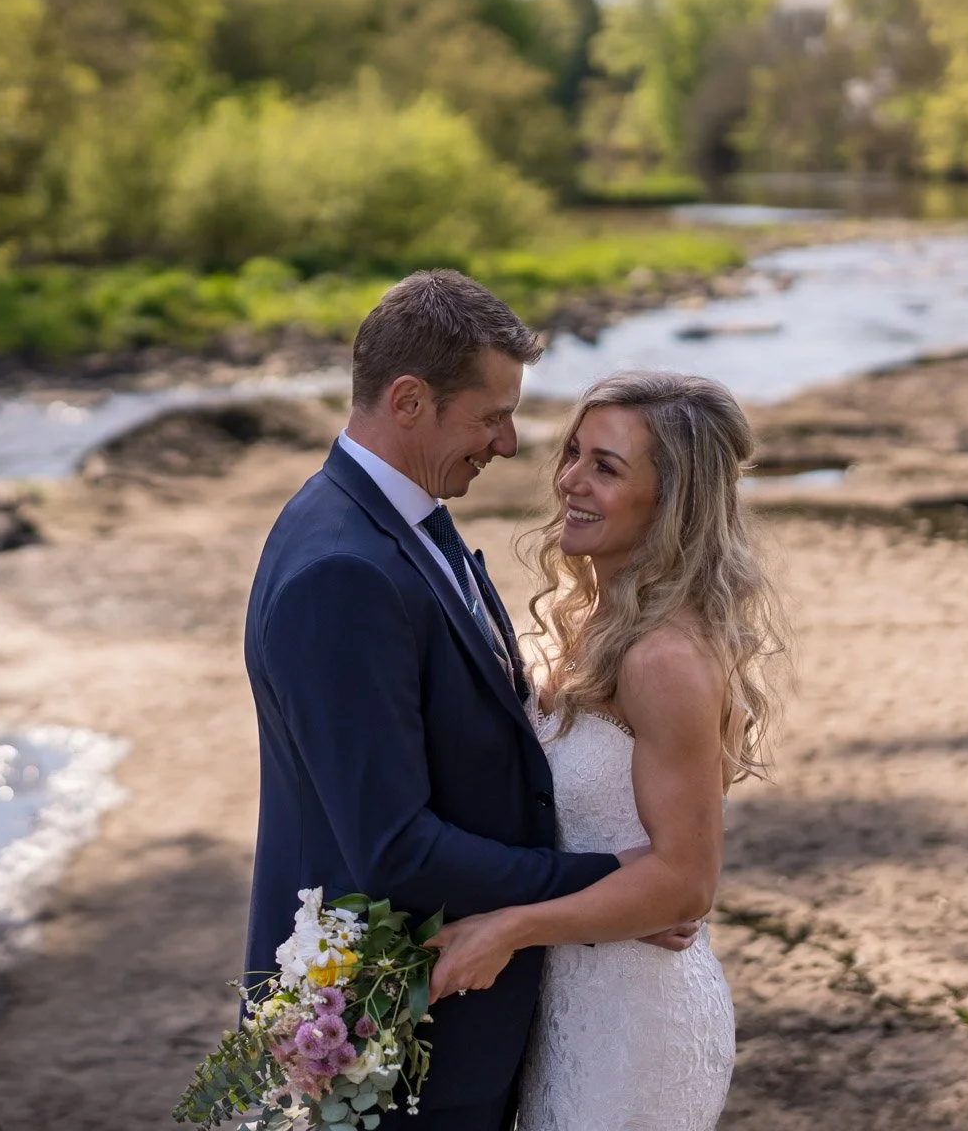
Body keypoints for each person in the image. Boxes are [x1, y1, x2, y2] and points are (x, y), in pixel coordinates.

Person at [241, 272, 696, 1131]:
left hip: (457, 1027)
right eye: (491, 417)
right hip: (387, 1040)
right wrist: (610, 889)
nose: (513, 445)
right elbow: (394, 848)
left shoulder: (402, 519)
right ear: (410, 401)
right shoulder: (343, 568)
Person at [424, 369, 791, 1130]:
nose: (570, 483)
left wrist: (511, 925)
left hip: (635, 1020)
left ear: (672, 501)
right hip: (566, 1000)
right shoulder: (586, 618)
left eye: (606, 467)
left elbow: (686, 883)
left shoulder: (664, 658)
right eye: (574, 454)